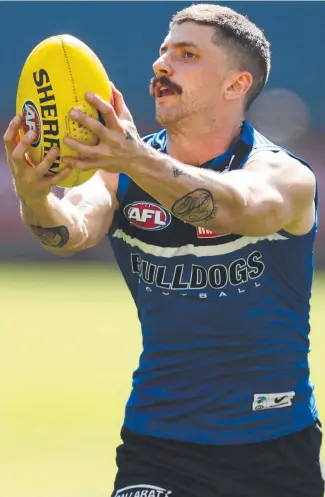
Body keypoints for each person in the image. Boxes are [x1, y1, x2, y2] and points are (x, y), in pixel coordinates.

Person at [4, 3, 324, 496]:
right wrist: (32, 193)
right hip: (157, 444)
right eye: (162, 52)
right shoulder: (120, 171)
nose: (161, 64)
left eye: (188, 54)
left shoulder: (284, 175)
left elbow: (234, 208)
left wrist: (137, 157)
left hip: (274, 446)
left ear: (236, 85)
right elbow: (66, 233)